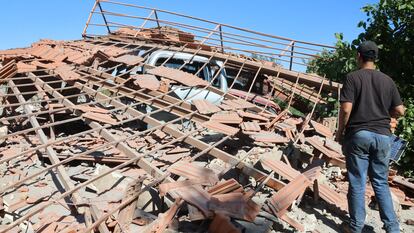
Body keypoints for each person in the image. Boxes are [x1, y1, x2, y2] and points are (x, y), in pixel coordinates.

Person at [335, 40, 405, 233]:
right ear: (376, 58)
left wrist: (340, 132)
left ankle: (356, 227)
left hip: (359, 135)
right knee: (381, 182)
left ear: (359, 56)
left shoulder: (352, 78)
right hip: (383, 137)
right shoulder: (387, 80)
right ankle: (392, 228)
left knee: (357, 181)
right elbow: (400, 110)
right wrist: (387, 115)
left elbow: (346, 109)